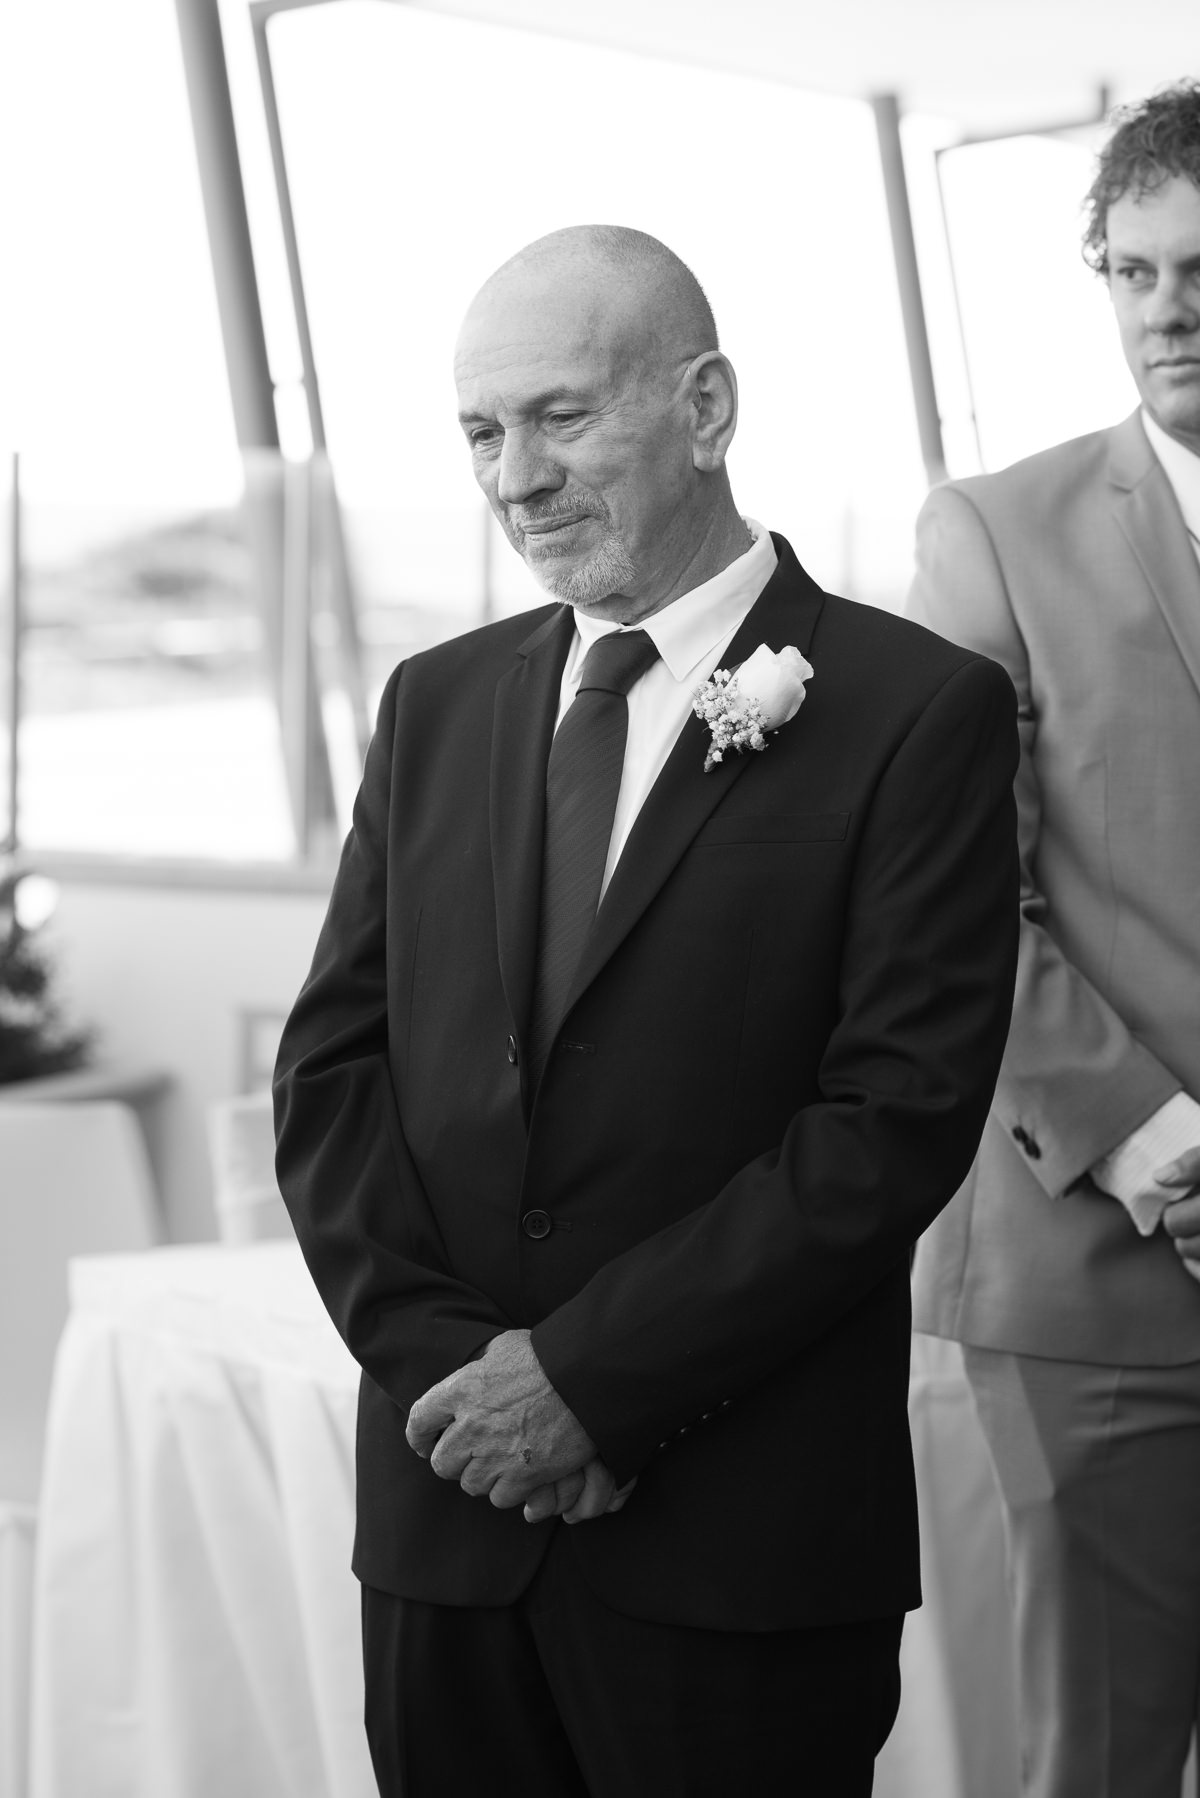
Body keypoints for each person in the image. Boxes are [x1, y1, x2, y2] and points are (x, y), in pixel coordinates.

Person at [274, 223, 1019, 1798]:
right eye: (482, 431)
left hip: (734, 1542)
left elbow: (893, 1120)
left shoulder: (914, 710)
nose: (515, 475)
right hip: (446, 1520)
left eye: (560, 415)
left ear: (705, 406)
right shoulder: (436, 701)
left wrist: (591, 1386)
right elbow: (330, 1079)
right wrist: (462, 1385)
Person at [907, 82, 1200, 1798]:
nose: (1175, 307)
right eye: (1138, 268)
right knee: (1097, 1762)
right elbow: (951, 899)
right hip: (1104, 1278)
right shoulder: (995, 534)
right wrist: (1165, 1146)